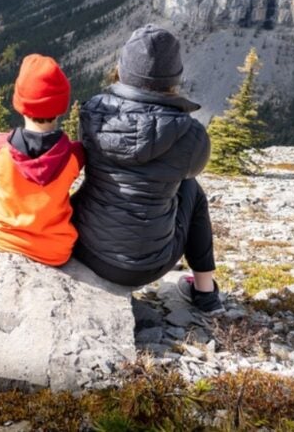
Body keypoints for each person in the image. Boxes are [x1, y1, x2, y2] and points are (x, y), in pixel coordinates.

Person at [71, 24, 223, 314]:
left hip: (85, 249)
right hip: (148, 265)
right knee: (192, 189)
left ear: (122, 69)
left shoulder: (92, 113)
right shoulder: (190, 134)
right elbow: (190, 172)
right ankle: (206, 293)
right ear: (174, 77)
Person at [0, 54, 85, 312]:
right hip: (54, 249)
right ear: (61, 106)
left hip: (4, 239)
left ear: (20, 103)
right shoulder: (74, 155)